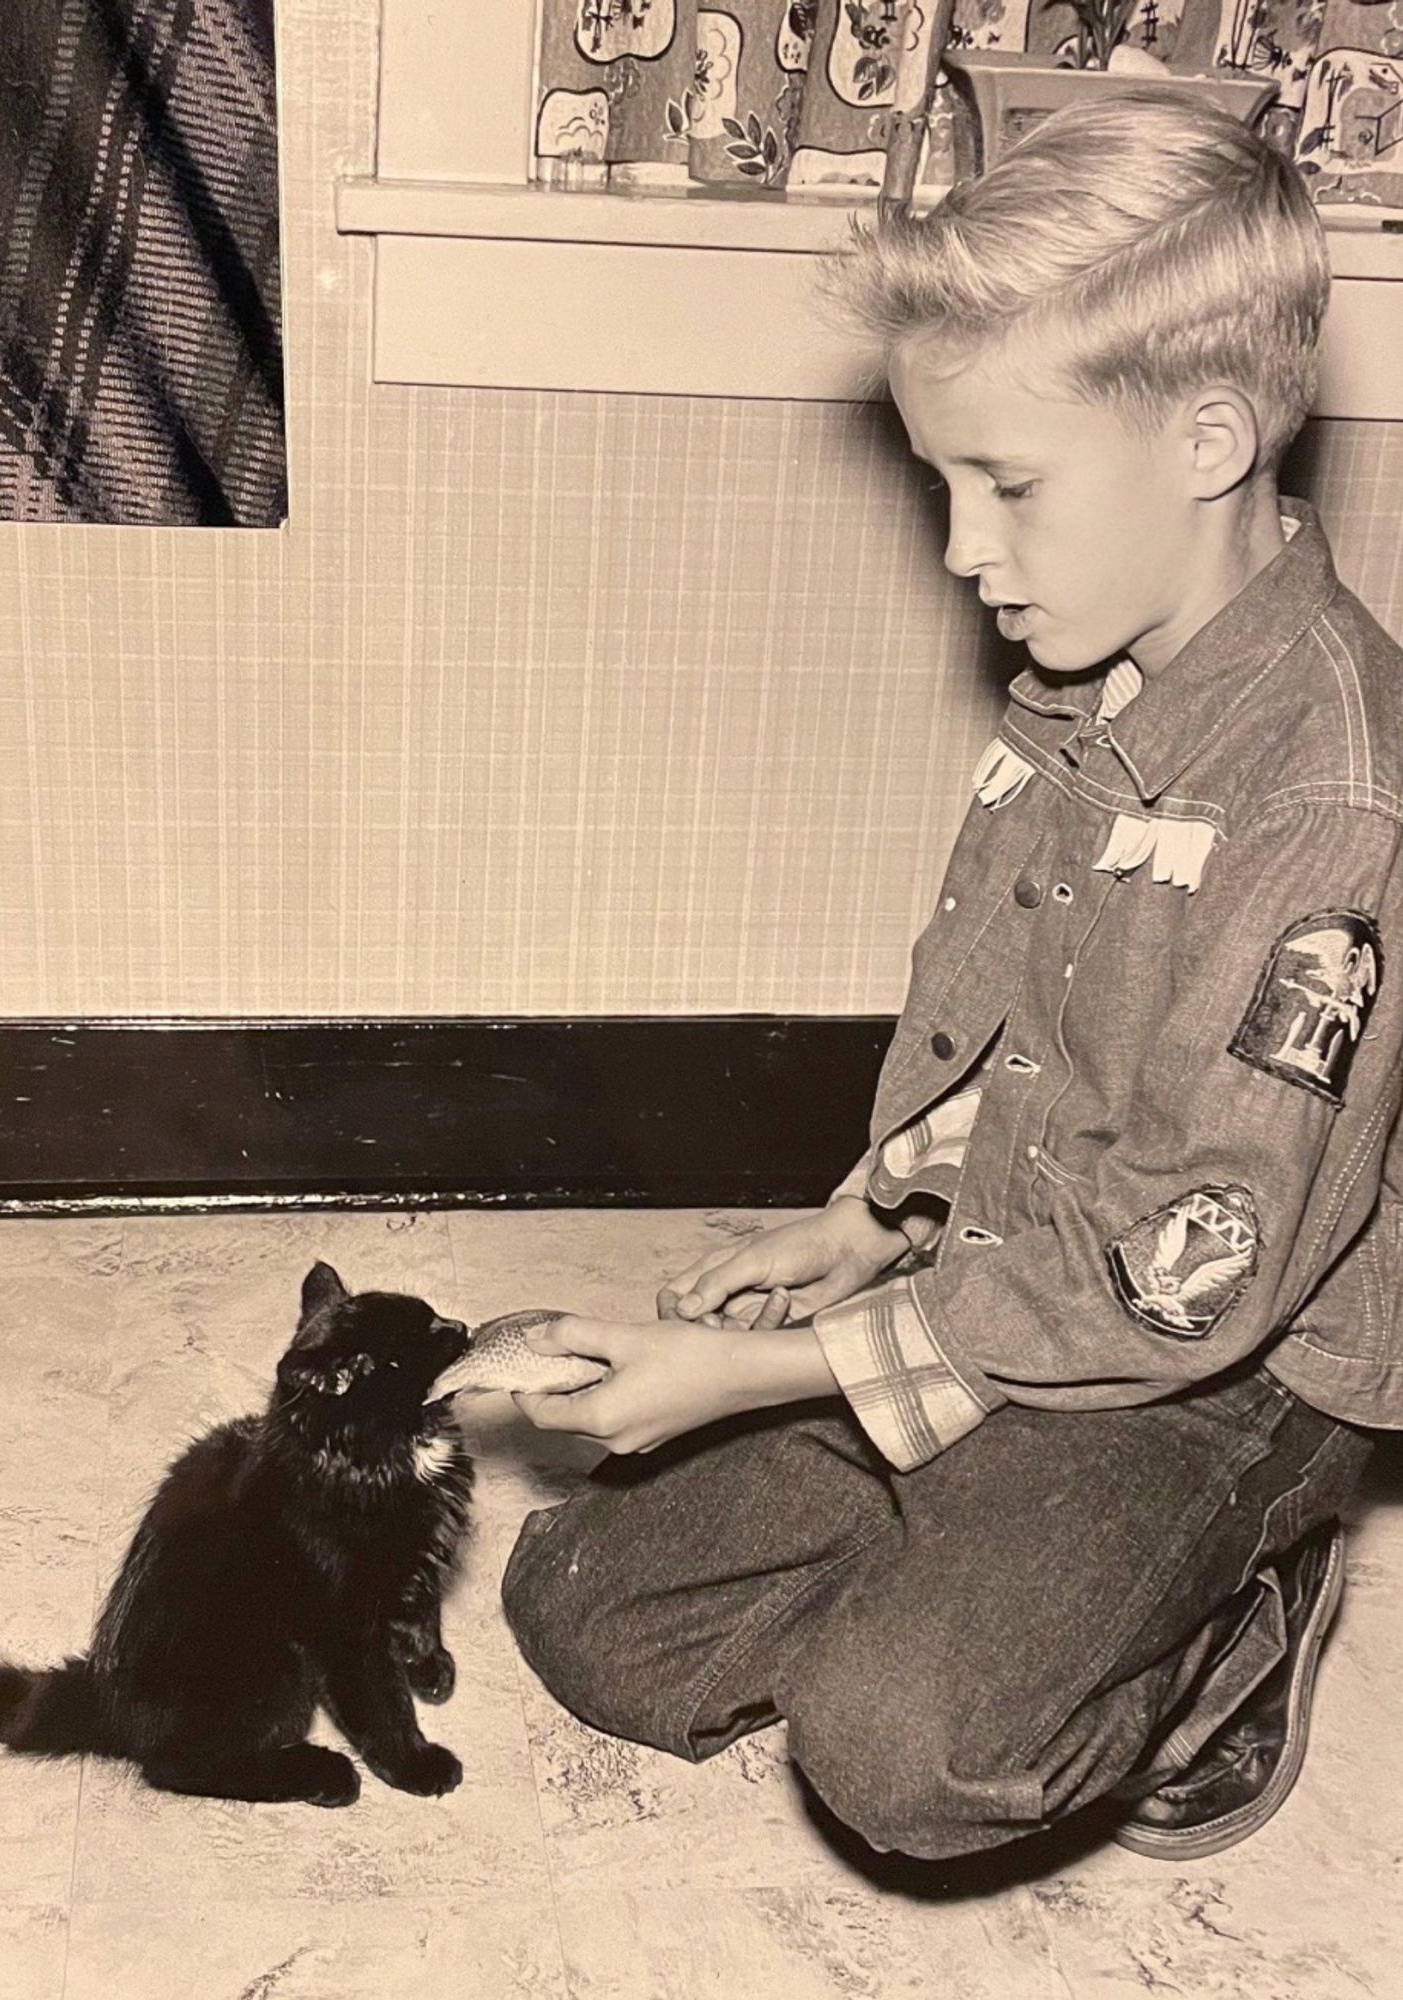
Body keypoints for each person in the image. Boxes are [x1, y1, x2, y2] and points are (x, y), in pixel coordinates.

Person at [499, 87, 1403, 1864]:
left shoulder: (1334, 806)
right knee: (584, 1606)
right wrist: (878, 1218)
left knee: (903, 1760)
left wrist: (789, 1375)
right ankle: (1007, 1566)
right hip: (1016, 1274)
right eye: (940, 486)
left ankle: (1220, 1615)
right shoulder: (1086, 675)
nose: (961, 552)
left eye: (1005, 486)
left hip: (1227, 1371)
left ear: (1209, 439)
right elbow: (1031, 1024)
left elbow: (1177, 1281)